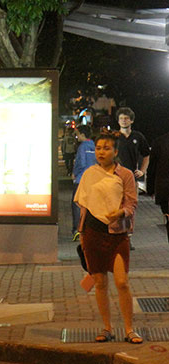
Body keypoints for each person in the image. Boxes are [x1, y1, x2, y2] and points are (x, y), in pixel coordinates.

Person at [74, 131, 142, 344]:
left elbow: (131, 203)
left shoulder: (125, 175)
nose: (101, 152)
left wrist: (121, 213)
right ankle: (106, 328)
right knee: (101, 283)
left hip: (117, 234)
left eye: (106, 148)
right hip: (92, 232)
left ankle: (130, 329)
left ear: (115, 151)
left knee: (122, 282)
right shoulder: (89, 174)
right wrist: (82, 234)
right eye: (98, 148)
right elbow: (83, 205)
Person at [116, 107, 150, 250]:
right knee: (116, 208)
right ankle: (117, 237)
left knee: (130, 208)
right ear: (118, 120)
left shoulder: (138, 137)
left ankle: (128, 238)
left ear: (132, 120)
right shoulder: (114, 137)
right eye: (121, 118)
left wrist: (142, 171)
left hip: (131, 179)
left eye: (126, 118)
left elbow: (146, 155)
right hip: (115, 179)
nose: (124, 121)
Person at [71, 125, 96, 241]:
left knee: (76, 204)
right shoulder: (94, 146)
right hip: (93, 179)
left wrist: (74, 173)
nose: (77, 136)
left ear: (82, 134)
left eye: (77, 134)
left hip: (81, 179)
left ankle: (77, 228)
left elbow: (80, 163)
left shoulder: (82, 147)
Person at [146, 131, 169, 242]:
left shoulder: (159, 141)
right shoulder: (159, 142)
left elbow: (152, 168)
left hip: (164, 191)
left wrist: (150, 189)